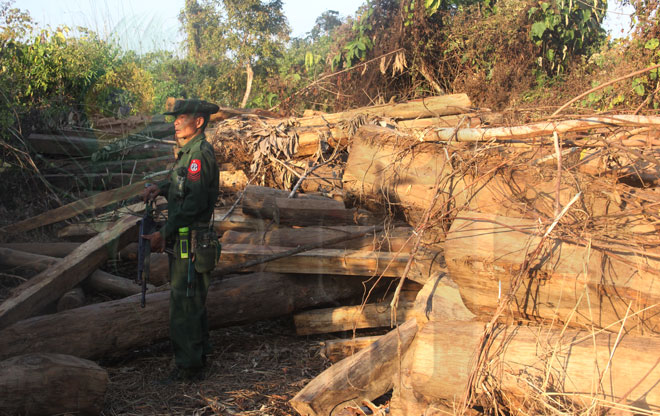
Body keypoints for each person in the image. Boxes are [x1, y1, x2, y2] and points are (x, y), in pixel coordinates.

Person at [142, 99, 220, 382]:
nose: (175, 122)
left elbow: (193, 204)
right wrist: (159, 188)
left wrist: (164, 233)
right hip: (187, 239)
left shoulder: (199, 155)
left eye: (182, 117)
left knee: (184, 301)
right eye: (175, 117)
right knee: (191, 299)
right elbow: (180, 185)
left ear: (198, 122)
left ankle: (189, 366)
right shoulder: (187, 154)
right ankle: (197, 355)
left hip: (192, 239)